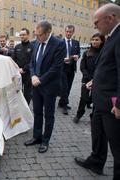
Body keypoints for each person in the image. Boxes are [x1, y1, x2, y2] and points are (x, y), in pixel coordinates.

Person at [74, 3, 120, 179]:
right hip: (101, 101)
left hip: (112, 104)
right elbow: (108, 67)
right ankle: (96, 161)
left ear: (110, 18)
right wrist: (95, 80)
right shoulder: (111, 36)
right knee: (98, 134)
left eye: (97, 22)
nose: (94, 26)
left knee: (117, 146)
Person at [24, 21, 66, 153]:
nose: (37, 37)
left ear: (48, 32)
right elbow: (32, 63)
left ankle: (45, 140)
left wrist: (40, 80)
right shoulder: (37, 42)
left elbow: (56, 68)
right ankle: (37, 136)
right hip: (36, 86)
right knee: (37, 112)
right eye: (36, 34)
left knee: (49, 115)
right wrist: (33, 76)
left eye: (40, 35)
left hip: (49, 87)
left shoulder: (59, 44)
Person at [73, 33, 105, 123]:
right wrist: (89, 78)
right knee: (83, 98)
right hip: (86, 79)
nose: (94, 41)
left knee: (95, 99)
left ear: (101, 41)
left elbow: (103, 68)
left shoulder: (104, 53)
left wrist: (95, 79)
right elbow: (82, 67)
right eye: (93, 39)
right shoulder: (87, 52)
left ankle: (93, 117)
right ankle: (78, 115)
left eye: (97, 40)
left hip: (98, 80)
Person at [58, 25, 81, 115]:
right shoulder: (60, 42)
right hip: (62, 68)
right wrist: (62, 59)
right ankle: (65, 105)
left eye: (70, 32)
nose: (68, 33)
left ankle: (61, 102)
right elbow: (56, 55)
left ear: (73, 32)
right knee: (64, 87)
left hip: (71, 68)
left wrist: (77, 56)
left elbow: (78, 53)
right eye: (67, 31)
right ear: (65, 31)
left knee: (69, 87)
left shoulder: (76, 42)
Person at [12, 28, 34, 104]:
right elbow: (13, 59)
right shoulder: (17, 47)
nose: (22, 36)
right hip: (18, 73)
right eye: (21, 35)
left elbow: (33, 61)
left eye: (23, 35)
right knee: (18, 92)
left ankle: (26, 107)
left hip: (28, 74)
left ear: (28, 35)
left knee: (27, 93)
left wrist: (24, 69)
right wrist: (17, 69)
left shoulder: (33, 47)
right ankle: (19, 107)